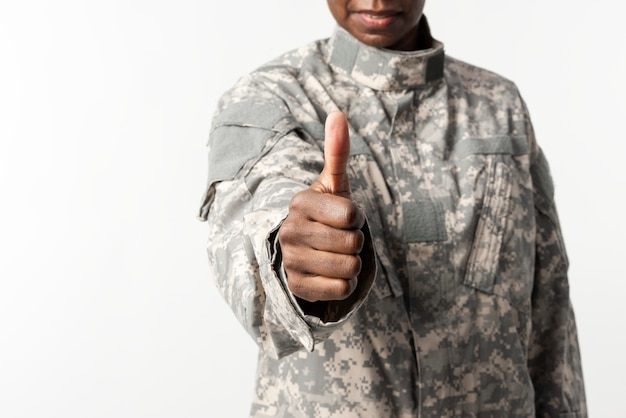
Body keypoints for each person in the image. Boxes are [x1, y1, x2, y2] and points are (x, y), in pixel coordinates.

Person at [198, 1, 587, 416]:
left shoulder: (498, 104)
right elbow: (253, 226)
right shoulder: (269, 98)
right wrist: (292, 262)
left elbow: (550, 308)